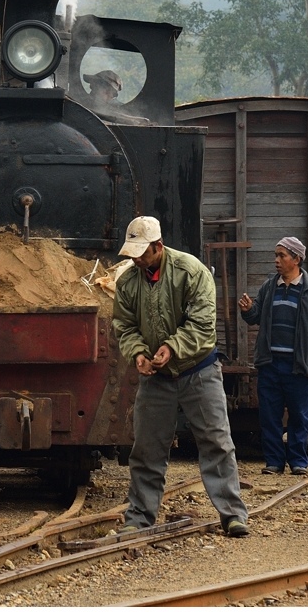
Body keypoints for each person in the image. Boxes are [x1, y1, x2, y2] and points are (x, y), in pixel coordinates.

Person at [112, 215, 250, 537]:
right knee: (146, 450)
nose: (135, 258)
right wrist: (138, 353)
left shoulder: (191, 271)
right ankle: (139, 519)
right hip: (157, 379)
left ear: (158, 246)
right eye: (132, 252)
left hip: (199, 372)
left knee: (216, 443)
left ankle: (232, 515)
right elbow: (125, 326)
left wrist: (171, 348)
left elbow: (203, 327)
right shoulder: (128, 281)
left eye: (141, 252)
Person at [238, 237, 308, 476]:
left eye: (282, 255)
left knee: (300, 417)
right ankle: (274, 462)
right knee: (269, 417)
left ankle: (298, 462)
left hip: (298, 365)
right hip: (270, 364)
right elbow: (256, 317)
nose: (276, 260)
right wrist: (249, 310)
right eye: (276, 255)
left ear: (296, 259)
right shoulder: (270, 286)